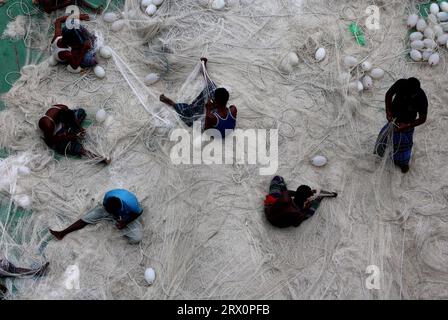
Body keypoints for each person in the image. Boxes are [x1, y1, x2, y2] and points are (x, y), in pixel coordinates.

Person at [160, 58, 237, 136]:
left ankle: (172, 103)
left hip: (215, 132)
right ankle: (204, 71)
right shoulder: (233, 109)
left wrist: (208, 109)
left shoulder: (212, 117)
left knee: (189, 115)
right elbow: (226, 111)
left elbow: (206, 130)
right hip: (225, 126)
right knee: (212, 88)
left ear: (215, 101)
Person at [49, 189, 144, 244]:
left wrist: (125, 222)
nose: (112, 215)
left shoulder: (132, 205)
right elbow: (106, 207)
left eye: (113, 213)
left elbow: (139, 212)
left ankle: (121, 223)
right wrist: (108, 211)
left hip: (126, 215)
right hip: (110, 209)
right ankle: (62, 233)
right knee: (88, 217)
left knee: (137, 238)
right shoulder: (108, 198)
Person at [374, 78, 428, 173]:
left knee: (404, 146)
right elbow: (389, 94)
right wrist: (388, 111)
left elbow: (423, 118)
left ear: (417, 91)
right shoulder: (401, 84)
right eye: (408, 93)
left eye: (412, 94)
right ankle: (380, 154)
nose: (410, 96)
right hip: (393, 120)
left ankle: (403, 164)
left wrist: (407, 125)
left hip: (407, 124)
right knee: (384, 138)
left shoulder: (421, 98)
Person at [38, 104, 110, 164]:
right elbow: (50, 141)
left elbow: (73, 118)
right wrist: (66, 137)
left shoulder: (63, 108)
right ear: (61, 120)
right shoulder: (47, 124)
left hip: (65, 127)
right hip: (55, 136)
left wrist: (79, 128)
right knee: (73, 147)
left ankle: (71, 132)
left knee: (81, 112)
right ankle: (100, 159)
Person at [264, 176, 337, 228]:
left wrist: (302, 194)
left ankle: (315, 198)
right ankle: (319, 199)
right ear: (306, 199)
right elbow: (296, 225)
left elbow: (287, 192)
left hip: (270, 211)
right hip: (278, 222)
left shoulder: (286, 196)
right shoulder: (298, 213)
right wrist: (309, 205)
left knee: (278, 179)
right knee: (308, 213)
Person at [32, 0, 102, 14]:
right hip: (55, 4)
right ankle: (94, 9)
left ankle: (94, 9)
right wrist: (65, 4)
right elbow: (48, 11)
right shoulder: (47, 1)